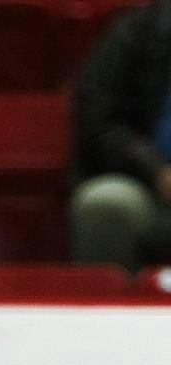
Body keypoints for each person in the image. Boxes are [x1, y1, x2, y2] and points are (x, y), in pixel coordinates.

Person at [70, 0, 171, 268]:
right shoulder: (139, 31)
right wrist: (157, 173)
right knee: (105, 203)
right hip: (146, 185)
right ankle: (107, 296)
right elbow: (98, 123)